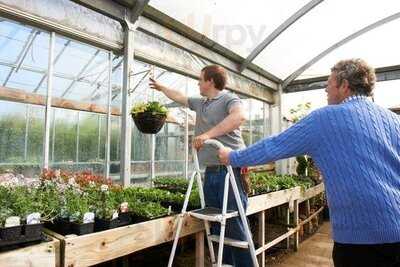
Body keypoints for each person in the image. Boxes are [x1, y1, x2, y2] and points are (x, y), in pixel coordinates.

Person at [218, 58, 400, 267]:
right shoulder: (394, 120)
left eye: (329, 84)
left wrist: (232, 157)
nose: (325, 89)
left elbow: (274, 146)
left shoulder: (324, 119)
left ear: (344, 86)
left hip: (360, 239)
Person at [149, 65, 253, 266]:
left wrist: (206, 136)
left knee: (234, 224)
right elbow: (180, 97)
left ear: (211, 81)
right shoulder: (201, 103)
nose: (198, 82)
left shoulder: (229, 99)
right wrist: (161, 87)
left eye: (200, 79)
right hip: (211, 171)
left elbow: (239, 117)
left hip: (230, 171)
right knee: (217, 226)